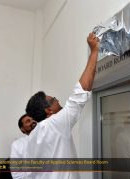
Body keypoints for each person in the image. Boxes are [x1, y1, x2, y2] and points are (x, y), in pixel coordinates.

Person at [24, 32, 99, 179]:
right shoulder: (54, 124)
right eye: (55, 100)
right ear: (49, 110)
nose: (59, 101)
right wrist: (94, 51)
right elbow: (80, 92)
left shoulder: (33, 135)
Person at [10, 114, 36, 179]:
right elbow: (16, 174)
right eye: (28, 121)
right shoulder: (17, 145)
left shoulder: (47, 137)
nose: (32, 121)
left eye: (33, 119)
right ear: (22, 129)